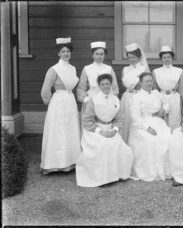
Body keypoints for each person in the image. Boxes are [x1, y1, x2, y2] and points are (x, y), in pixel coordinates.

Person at [76, 74, 133, 187]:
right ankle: (100, 178)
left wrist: (114, 130)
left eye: (108, 83)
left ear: (111, 85)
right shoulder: (94, 100)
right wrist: (101, 132)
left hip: (111, 129)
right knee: (102, 146)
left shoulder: (116, 99)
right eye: (103, 84)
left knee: (122, 147)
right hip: (95, 130)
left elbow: (120, 118)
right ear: (99, 86)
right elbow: (87, 121)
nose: (105, 86)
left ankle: (114, 175)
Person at [40, 37, 81, 174]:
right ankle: (55, 164)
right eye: (63, 51)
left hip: (70, 100)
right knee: (58, 131)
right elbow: (46, 89)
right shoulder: (54, 69)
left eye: (68, 51)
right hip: (58, 101)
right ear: (58, 53)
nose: (66, 54)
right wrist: (49, 101)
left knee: (70, 129)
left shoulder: (72, 68)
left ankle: (70, 162)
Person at [128, 72, 172, 182]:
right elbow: (136, 118)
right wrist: (148, 128)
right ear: (141, 82)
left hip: (158, 121)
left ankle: (166, 171)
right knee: (151, 140)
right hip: (143, 124)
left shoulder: (157, 93)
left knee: (167, 139)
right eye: (146, 81)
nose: (149, 83)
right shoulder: (136, 97)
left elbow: (167, 104)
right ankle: (151, 172)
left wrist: (164, 110)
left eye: (151, 81)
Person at [77, 41, 119, 132]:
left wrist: (112, 99)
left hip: (106, 99)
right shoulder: (87, 68)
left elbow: (115, 87)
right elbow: (81, 88)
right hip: (91, 98)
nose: (99, 56)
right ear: (92, 55)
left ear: (104, 55)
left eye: (101, 54)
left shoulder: (109, 68)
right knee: (91, 124)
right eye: (97, 54)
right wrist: (85, 99)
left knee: (105, 124)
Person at [119, 43, 150, 143]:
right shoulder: (125, 69)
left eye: (134, 57)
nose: (131, 60)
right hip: (127, 97)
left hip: (138, 97)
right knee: (126, 120)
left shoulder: (143, 68)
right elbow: (124, 84)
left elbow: (147, 85)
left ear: (139, 57)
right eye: (129, 57)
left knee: (136, 120)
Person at [152, 45, 183, 132]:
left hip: (174, 97)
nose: (166, 59)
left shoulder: (179, 71)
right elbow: (155, 88)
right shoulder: (156, 71)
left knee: (175, 119)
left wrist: (180, 99)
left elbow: (182, 89)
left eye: (168, 57)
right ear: (161, 59)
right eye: (164, 57)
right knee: (162, 120)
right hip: (161, 97)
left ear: (172, 58)